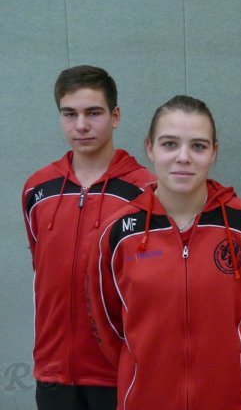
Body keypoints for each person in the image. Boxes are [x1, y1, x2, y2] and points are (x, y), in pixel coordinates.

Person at [86, 95, 241, 410]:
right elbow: (108, 326)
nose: (183, 157)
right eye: (170, 144)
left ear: (214, 152)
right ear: (150, 148)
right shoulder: (117, 232)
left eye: (198, 146)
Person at [22, 65, 154, 410]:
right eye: (70, 114)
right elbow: (41, 267)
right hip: (53, 372)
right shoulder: (37, 189)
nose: (81, 125)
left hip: (120, 372)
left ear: (115, 116)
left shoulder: (146, 192)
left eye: (93, 113)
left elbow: (154, 281)